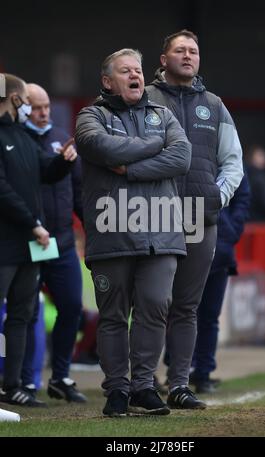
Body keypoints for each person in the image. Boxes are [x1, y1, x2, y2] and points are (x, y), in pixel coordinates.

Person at [75, 48, 191, 417]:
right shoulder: (91, 116)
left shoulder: (163, 114)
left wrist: (131, 167)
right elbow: (99, 147)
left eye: (138, 70)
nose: (135, 76)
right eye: (126, 71)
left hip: (161, 233)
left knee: (155, 308)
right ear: (108, 81)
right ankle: (117, 391)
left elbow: (182, 157)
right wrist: (155, 146)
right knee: (112, 316)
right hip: (112, 233)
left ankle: (144, 386)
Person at [146, 30, 244, 409]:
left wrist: (216, 196)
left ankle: (179, 385)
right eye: (180, 50)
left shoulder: (214, 105)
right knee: (151, 302)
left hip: (199, 217)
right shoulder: (145, 99)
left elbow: (233, 161)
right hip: (151, 216)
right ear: (163, 57)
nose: (188, 56)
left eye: (194, 51)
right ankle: (141, 380)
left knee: (187, 307)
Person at [0, 74, 76, 406]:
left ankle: (14, 385)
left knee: (21, 315)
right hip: (6, 243)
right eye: (26, 99)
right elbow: (2, 190)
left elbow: (44, 171)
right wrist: (33, 223)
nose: (31, 107)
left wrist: (63, 161)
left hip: (29, 245)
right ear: (15, 99)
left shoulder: (23, 136)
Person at [20, 84, 86, 403]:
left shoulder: (62, 136)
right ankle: (24, 381)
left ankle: (60, 376)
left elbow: (79, 191)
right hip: (28, 242)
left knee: (72, 306)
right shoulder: (16, 141)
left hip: (61, 241)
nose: (43, 112)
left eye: (46, 106)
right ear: (22, 109)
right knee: (28, 313)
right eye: (36, 107)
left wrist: (91, 226)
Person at [190, 174, 250, 393]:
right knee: (181, 313)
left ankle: (202, 373)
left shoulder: (231, 155)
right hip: (189, 246)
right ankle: (180, 371)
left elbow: (242, 196)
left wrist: (230, 231)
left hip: (221, 249)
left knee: (209, 316)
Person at [244, 144, 265, 221]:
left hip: (247, 221)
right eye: (260, 155)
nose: (263, 159)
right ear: (251, 157)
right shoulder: (262, 178)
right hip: (262, 222)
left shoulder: (242, 175)